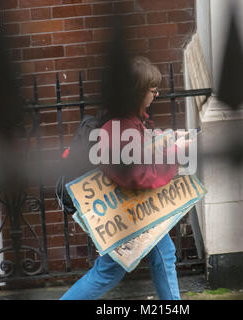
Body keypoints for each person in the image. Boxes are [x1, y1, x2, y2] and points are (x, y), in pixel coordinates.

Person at [59, 56, 190, 300]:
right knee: (110, 271)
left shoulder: (127, 120)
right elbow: (137, 174)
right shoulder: (119, 125)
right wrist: (176, 152)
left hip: (132, 208)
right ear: (137, 92)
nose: (156, 95)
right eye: (152, 90)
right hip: (125, 209)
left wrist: (170, 138)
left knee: (163, 254)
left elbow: (142, 148)